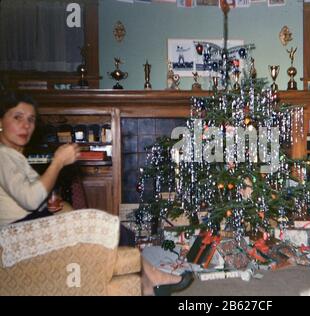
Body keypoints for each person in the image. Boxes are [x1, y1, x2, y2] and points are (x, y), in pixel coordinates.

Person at [0, 91, 193, 296]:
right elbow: (30, 199)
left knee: (108, 229)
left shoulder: (13, 156)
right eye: (17, 117)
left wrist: (53, 206)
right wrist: (57, 162)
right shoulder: (3, 156)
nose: (26, 125)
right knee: (104, 225)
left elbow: (27, 198)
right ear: (1, 120)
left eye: (30, 119)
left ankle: (146, 283)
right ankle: (152, 279)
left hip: (26, 226)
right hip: (16, 238)